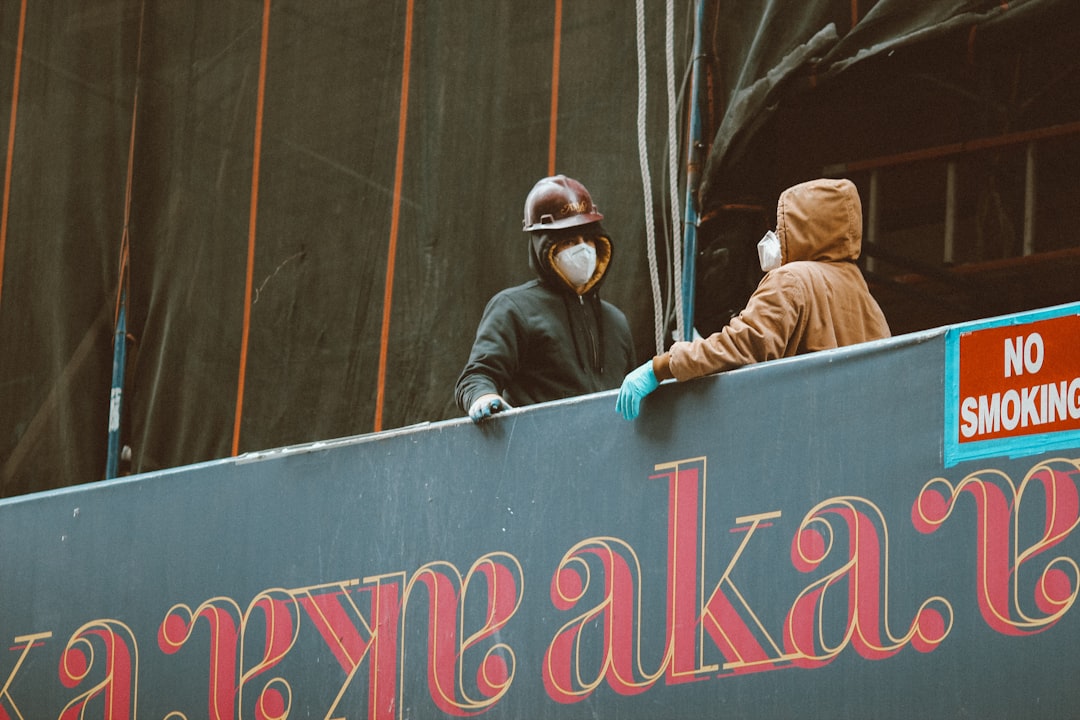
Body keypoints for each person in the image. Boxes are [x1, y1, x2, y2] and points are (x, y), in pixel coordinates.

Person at [616, 177, 890, 420]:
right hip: (853, 428)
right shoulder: (864, 298)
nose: (774, 238)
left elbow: (741, 345)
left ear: (803, 229)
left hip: (800, 424)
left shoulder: (791, 279)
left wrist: (661, 367)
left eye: (783, 227)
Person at [456, 175, 636, 423]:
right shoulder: (514, 308)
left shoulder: (615, 321)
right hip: (543, 454)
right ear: (544, 247)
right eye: (569, 242)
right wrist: (483, 397)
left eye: (588, 239)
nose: (583, 249)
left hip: (608, 454)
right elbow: (477, 376)